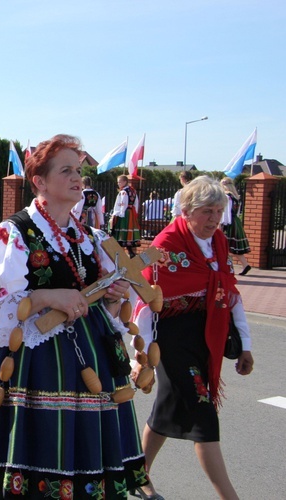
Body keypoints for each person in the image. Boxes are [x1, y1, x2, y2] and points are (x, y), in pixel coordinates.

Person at [0, 134, 155, 498]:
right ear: (39, 181)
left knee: (82, 466)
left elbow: (104, 308)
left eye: (79, 170)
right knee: (30, 458)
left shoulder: (92, 238)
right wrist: (47, 296)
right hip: (29, 366)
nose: (77, 178)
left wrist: (112, 300)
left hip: (87, 363)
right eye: (66, 170)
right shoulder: (13, 235)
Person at [132, 175, 254, 499]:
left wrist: (246, 344)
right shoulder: (166, 245)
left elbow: (230, 293)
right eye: (207, 211)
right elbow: (143, 300)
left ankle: (137, 474)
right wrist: (140, 354)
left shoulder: (220, 243)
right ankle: (230, 496)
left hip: (205, 339)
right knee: (202, 413)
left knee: (167, 410)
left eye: (218, 211)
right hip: (170, 341)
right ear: (186, 210)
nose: (214, 219)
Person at [219, 177, 251, 276]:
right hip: (235, 221)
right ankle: (245, 265)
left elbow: (225, 213)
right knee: (232, 247)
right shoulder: (236, 197)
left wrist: (221, 225)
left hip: (229, 223)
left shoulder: (226, 197)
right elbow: (237, 212)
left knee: (225, 246)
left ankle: (225, 267)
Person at [110, 174, 141, 257]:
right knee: (128, 233)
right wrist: (135, 213)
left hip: (124, 213)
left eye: (120, 182)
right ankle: (130, 252)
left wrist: (119, 214)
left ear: (125, 182)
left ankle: (119, 253)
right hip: (131, 213)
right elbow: (136, 203)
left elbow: (122, 204)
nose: (118, 184)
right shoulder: (133, 191)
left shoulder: (123, 192)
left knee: (121, 232)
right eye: (118, 182)